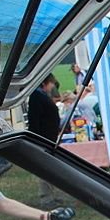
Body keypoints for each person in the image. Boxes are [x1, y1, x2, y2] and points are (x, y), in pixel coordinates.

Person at [27, 73, 63, 206]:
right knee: (44, 170)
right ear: (45, 83)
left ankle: (51, 195)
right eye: (51, 84)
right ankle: (46, 198)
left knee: (50, 168)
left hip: (48, 138)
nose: (52, 87)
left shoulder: (41, 95)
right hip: (43, 139)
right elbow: (35, 120)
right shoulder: (37, 96)